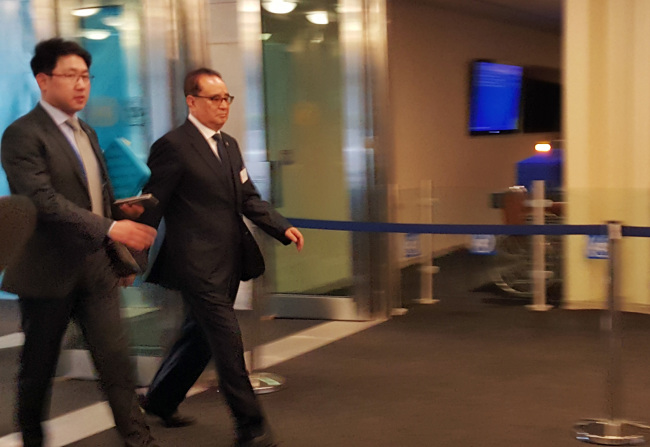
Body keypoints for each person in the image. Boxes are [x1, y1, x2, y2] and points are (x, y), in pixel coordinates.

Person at [0, 38, 160, 447]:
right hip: (47, 272)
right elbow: (42, 201)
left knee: (117, 365)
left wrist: (121, 213)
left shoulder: (86, 130)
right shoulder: (21, 135)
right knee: (38, 369)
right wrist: (109, 228)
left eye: (85, 76)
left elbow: (92, 197)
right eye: (70, 75)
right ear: (42, 79)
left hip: (95, 270)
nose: (81, 84)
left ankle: (139, 441)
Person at [138, 67, 304, 447]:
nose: (223, 105)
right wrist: (131, 251)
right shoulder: (174, 145)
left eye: (227, 98)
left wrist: (281, 226)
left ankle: (161, 400)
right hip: (195, 264)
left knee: (198, 336)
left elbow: (247, 197)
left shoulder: (228, 145)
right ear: (191, 102)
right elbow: (153, 203)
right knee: (228, 342)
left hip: (229, 260)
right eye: (215, 98)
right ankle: (251, 428)